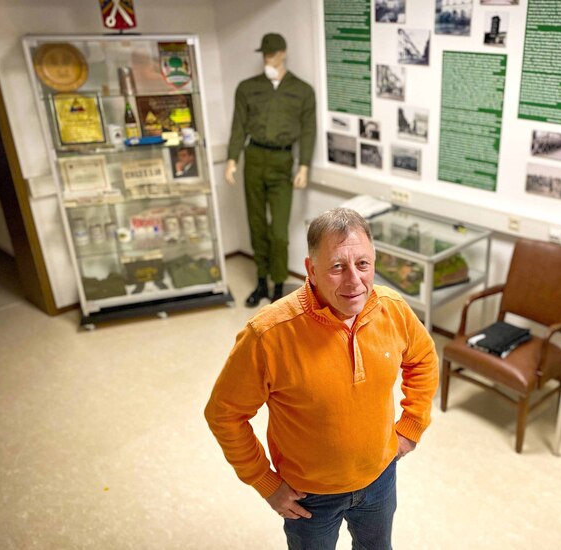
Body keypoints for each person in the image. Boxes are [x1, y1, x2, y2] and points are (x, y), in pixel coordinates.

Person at [205, 207, 439, 549]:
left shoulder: (393, 309)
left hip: (380, 479)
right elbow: (224, 414)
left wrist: (411, 426)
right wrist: (264, 481)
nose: (354, 281)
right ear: (311, 270)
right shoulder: (268, 334)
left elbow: (423, 358)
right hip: (308, 497)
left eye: (363, 264)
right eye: (337, 267)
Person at [225, 33, 316, 306]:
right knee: (256, 224)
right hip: (254, 157)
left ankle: (278, 286)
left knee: (278, 232)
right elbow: (238, 126)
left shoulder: (302, 91)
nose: (269, 58)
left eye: (274, 53)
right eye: (265, 53)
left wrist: (304, 165)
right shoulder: (247, 88)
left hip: (282, 162)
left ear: (283, 53)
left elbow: (309, 131)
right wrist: (231, 159)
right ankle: (261, 281)